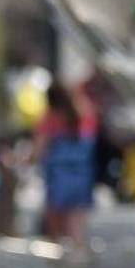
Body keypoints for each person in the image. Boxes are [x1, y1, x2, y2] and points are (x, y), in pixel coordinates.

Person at [33, 84, 97, 244]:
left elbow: (39, 150)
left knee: (54, 228)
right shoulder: (85, 116)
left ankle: (56, 258)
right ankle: (77, 257)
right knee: (76, 227)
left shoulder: (50, 119)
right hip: (82, 177)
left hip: (58, 178)